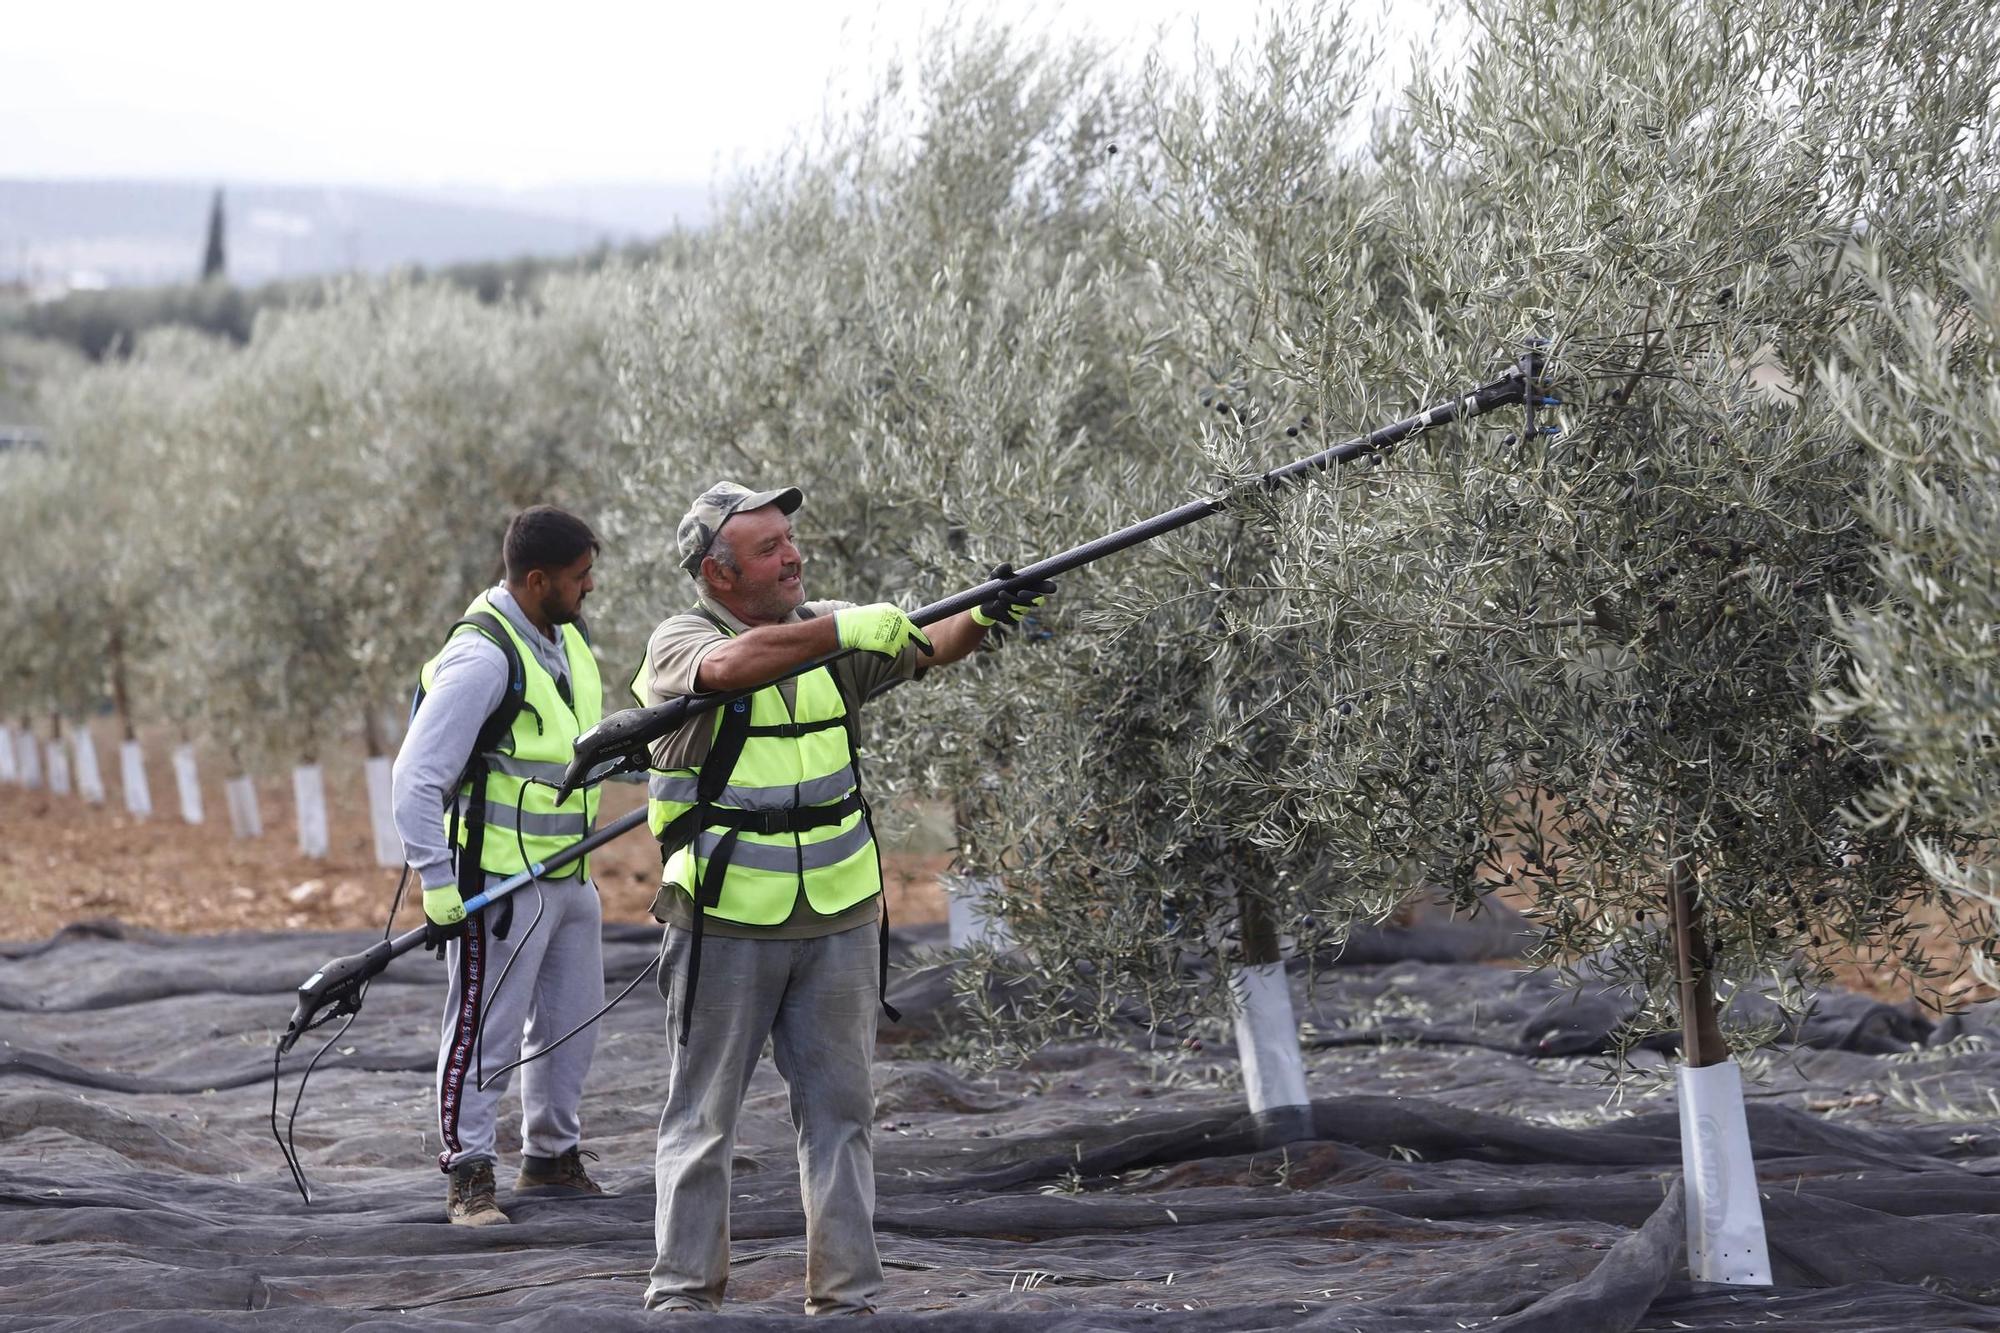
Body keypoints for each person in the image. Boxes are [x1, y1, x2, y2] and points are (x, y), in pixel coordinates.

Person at [638, 481, 1054, 1314]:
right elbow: (723, 670)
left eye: (790, 539)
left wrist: (986, 613)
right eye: (768, 548)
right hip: (725, 921)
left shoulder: (823, 630)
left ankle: (848, 1297)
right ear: (718, 575)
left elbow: (926, 643)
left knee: (842, 1118)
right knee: (702, 1121)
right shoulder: (683, 639)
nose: (792, 555)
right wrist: (838, 627)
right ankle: (683, 1296)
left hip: (839, 918)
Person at [392, 504, 609, 1226]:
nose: (589, 589)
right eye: (580, 578)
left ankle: (550, 1158)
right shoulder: (483, 657)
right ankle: (468, 1171)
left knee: (571, 1026)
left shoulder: (568, 639)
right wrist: (438, 883)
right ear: (537, 579)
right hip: (502, 885)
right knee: (485, 1029)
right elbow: (414, 779)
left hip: (569, 873)